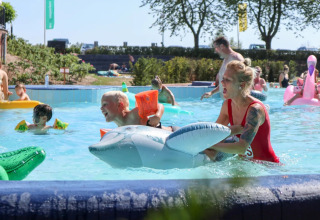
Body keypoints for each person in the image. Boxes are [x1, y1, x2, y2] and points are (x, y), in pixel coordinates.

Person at [204, 60, 279, 163]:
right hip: (245, 165)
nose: (222, 82)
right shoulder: (227, 105)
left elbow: (241, 148)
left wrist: (210, 145)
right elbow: (215, 135)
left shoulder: (255, 110)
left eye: (228, 80)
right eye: (223, 78)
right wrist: (231, 131)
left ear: (242, 85)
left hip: (267, 169)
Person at [100, 91, 173, 131]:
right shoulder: (119, 127)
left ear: (120, 105)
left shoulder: (134, 114)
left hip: (172, 132)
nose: (101, 108)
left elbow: (159, 105)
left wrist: (157, 116)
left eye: (105, 104)